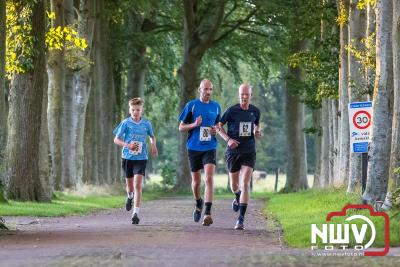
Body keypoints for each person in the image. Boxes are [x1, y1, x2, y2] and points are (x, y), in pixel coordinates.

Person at [218, 84, 261, 230]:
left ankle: (241, 219)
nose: (244, 97)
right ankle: (237, 196)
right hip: (233, 152)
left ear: (251, 95)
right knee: (234, 185)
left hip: (249, 150)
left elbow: (257, 125)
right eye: (242, 94)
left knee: (245, 183)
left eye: (247, 94)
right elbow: (219, 126)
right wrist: (228, 140)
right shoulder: (232, 110)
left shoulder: (255, 111)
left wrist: (257, 132)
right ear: (239, 94)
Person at [178, 79, 221, 226]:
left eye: (210, 89)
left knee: (209, 179)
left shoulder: (216, 107)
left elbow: (217, 126)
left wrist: (215, 130)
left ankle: (207, 213)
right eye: (205, 89)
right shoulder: (191, 106)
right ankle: (198, 203)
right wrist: (195, 124)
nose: (208, 92)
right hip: (194, 147)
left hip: (209, 147)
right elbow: (181, 127)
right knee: (196, 182)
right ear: (199, 90)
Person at [114, 97, 158, 225]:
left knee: (138, 185)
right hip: (127, 157)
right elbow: (116, 140)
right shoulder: (125, 123)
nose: (135, 112)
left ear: (141, 111)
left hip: (141, 158)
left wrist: (153, 145)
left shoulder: (146, 124)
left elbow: (152, 136)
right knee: (130, 187)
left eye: (137, 110)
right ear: (130, 110)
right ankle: (129, 197)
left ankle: (135, 214)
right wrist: (127, 145)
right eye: (133, 110)